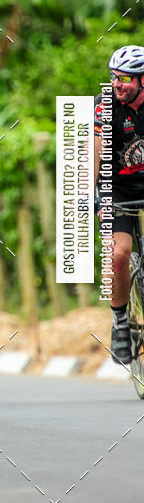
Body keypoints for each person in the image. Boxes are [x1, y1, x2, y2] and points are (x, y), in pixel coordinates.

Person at [94, 45, 144, 363]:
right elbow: (94, 153)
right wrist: (90, 196)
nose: (117, 84)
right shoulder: (107, 106)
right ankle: (120, 320)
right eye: (114, 77)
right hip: (118, 188)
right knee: (118, 254)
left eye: (125, 78)